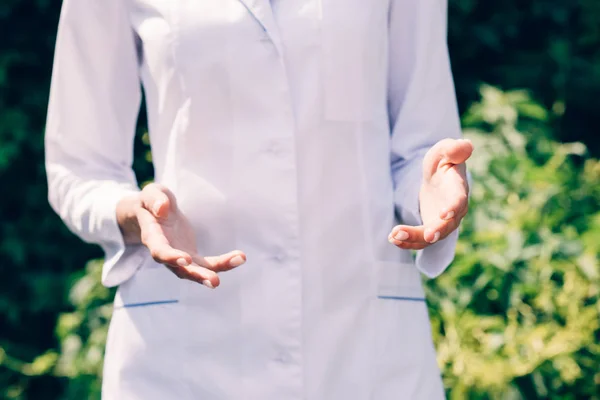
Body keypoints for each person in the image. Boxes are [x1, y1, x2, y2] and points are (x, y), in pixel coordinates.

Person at [45, 0, 473, 398]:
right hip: (182, 354)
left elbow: (423, 146)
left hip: (361, 340)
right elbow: (79, 165)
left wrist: (430, 188)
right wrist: (134, 215)